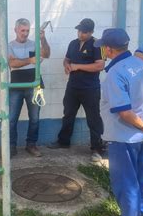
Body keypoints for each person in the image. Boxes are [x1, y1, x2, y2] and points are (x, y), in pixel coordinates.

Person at [95, 28, 143, 216]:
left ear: (108, 49)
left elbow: (124, 112)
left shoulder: (115, 74)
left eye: (103, 48)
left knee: (126, 183)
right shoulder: (140, 65)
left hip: (124, 138)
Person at [48, 18, 105, 162]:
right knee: (68, 114)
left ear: (91, 32)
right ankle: (63, 142)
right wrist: (67, 65)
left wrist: (78, 66)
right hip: (73, 86)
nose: (80, 34)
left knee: (93, 118)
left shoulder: (98, 44)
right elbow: (66, 59)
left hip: (90, 88)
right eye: (79, 31)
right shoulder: (73, 43)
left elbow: (100, 66)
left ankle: (97, 148)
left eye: (84, 32)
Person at [8, 18, 51, 157]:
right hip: (16, 84)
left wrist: (43, 39)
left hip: (34, 83)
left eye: (27, 30)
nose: (25, 33)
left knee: (34, 118)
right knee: (12, 118)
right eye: (22, 30)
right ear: (15, 30)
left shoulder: (34, 44)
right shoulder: (9, 45)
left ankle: (31, 145)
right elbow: (12, 63)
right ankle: (11, 146)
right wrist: (30, 60)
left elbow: (46, 54)